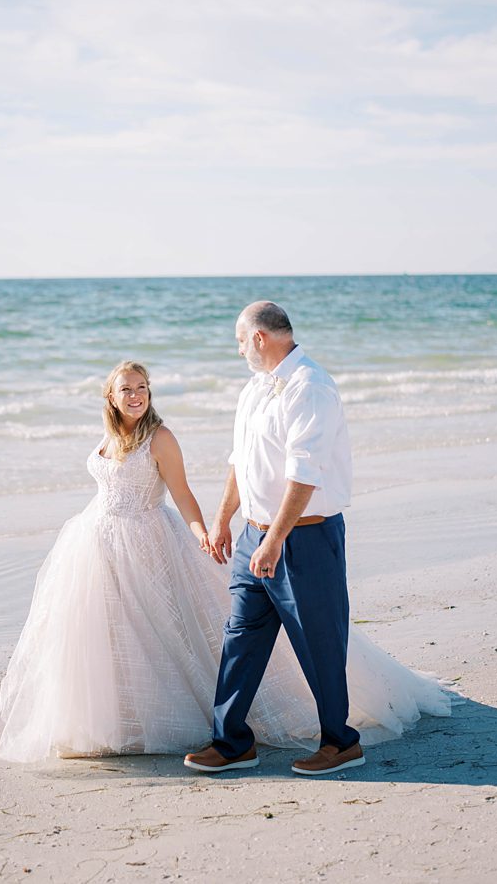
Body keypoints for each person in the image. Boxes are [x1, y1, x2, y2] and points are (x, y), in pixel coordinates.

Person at [0, 358, 449, 764]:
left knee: (172, 629)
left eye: (142, 388)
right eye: (127, 390)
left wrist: (204, 533)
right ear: (110, 399)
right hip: (98, 541)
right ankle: (122, 717)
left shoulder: (160, 438)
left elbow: (181, 493)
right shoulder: (109, 438)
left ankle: (275, 732)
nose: (136, 396)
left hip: (148, 540)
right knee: (110, 631)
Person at [184, 301, 408, 776]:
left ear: (260, 338)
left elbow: (304, 476)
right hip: (253, 537)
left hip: (304, 539)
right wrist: (225, 519)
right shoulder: (253, 389)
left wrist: (275, 541)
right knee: (240, 638)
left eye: (241, 340)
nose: (239, 349)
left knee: (318, 641)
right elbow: (239, 462)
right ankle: (231, 743)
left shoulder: (311, 386)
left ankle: (341, 742)